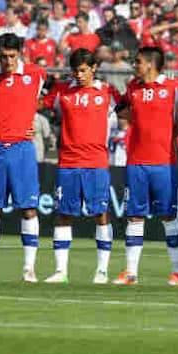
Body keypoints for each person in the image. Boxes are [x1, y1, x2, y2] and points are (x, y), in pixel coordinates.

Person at [0, 33, 48, 283]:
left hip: (22, 149)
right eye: (3, 56)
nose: (8, 61)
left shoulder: (36, 74)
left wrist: (30, 121)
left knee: (28, 209)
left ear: (20, 54)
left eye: (12, 56)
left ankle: (29, 269)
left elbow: (53, 96)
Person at [39, 48, 119, 284]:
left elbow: (130, 110)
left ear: (93, 68)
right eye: (76, 71)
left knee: (101, 214)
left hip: (96, 162)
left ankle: (102, 271)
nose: (79, 75)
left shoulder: (107, 92)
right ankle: (61, 271)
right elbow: (38, 105)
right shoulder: (62, 91)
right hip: (69, 162)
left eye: (84, 70)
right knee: (64, 214)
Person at [112, 47, 178, 286]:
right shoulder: (133, 87)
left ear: (151, 64)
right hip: (136, 162)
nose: (135, 65)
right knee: (135, 216)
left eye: (138, 61)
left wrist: (173, 132)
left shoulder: (175, 88)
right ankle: (130, 272)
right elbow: (121, 108)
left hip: (164, 162)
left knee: (168, 216)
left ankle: (177, 271)